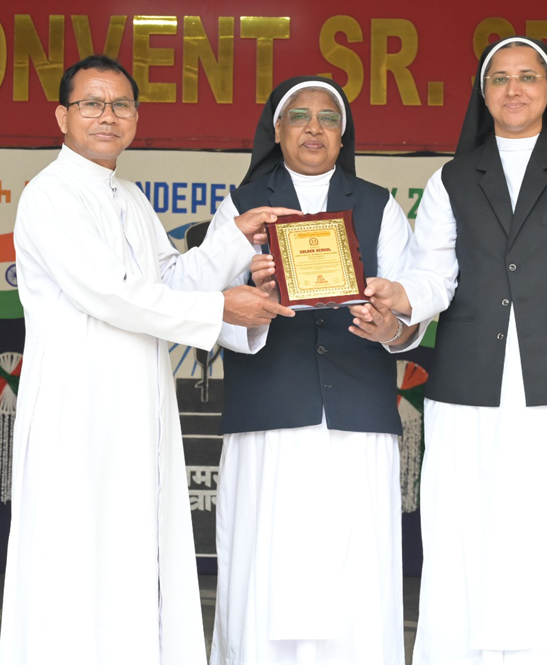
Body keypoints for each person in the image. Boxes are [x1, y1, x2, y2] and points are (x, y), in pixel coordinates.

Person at [0, 54, 294, 665]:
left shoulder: (129, 197)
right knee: (75, 562)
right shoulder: (50, 195)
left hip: (136, 413)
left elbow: (168, 280)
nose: (108, 116)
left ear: (136, 117)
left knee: (133, 559)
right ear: (62, 116)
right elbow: (111, 294)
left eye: (121, 105)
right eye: (92, 104)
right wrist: (220, 309)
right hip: (78, 411)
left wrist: (235, 238)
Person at [368, 37, 547, 664]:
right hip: (470, 386)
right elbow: (434, 275)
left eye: (527, 77)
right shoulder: (451, 179)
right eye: (499, 78)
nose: (513, 89)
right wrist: (401, 296)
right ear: (483, 93)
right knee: (469, 531)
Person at [208, 76, 418, 665]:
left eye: (328, 118)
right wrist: (257, 300)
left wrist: (390, 326)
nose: (313, 128)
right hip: (270, 413)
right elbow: (208, 302)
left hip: (356, 414)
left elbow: (410, 310)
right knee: (265, 561)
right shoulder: (241, 206)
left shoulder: (378, 204)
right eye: (299, 116)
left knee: (356, 569)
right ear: (277, 130)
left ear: (343, 135)